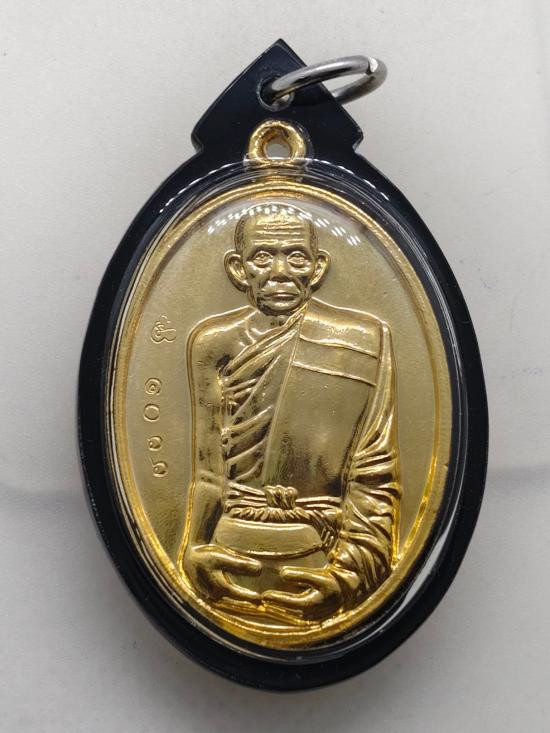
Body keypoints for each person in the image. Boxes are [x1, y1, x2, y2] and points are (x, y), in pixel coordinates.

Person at [178, 203, 401, 623]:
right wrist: (194, 549)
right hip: (232, 543)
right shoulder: (212, 343)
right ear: (238, 269)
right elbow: (209, 472)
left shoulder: (363, 341)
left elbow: (375, 471)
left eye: (296, 256)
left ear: (317, 268)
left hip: (323, 548)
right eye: (263, 257)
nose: (279, 272)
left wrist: (349, 576)